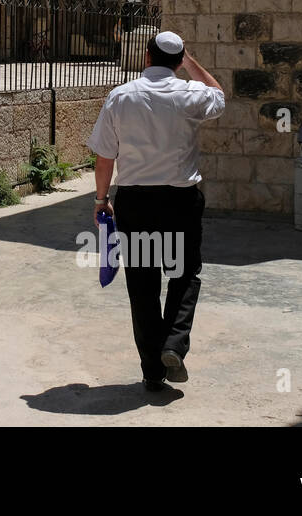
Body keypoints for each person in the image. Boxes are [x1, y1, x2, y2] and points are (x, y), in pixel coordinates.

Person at [86, 30, 224, 393]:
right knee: (184, 274)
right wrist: (189, 61)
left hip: (137, 202)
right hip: (180, 202)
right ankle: (173, 344)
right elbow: (218, 94)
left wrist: (102, 199)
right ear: (179, 62)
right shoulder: (191, 94)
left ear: (146, 57)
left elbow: (105, 156)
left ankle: (151, 371)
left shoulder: (121, 97)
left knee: (143, 284)